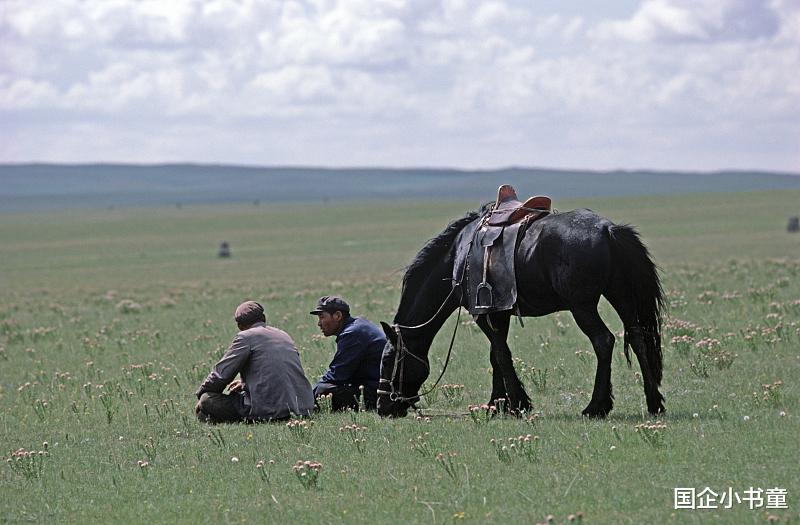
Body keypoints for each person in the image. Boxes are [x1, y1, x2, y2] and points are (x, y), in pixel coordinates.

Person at [195, 301, 314, 423]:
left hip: (270, 409)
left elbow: (221, 375)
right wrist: (245, 383)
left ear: (240, 326)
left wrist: (202, 394)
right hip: (303, 407)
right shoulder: (283, 335)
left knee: (207, 401)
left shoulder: (244, 337)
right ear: (263, 318)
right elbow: (278, 371)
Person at [310, 295, 386, 411]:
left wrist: (308, 395)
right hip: (383, 388)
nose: (319, 323)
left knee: (322, 391)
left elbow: (337, 375)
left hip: (377, 393)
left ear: (338, 316)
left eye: (322, 317)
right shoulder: (357, 325)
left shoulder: (351, 334)